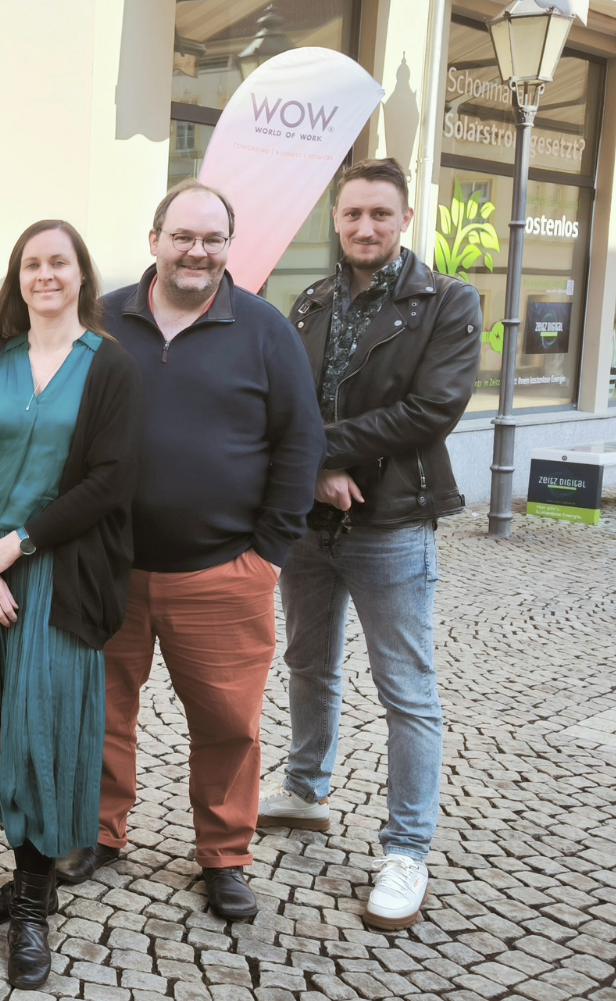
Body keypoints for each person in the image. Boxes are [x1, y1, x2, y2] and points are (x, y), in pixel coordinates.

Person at [56, 182, 321, 921]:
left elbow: (301, 442)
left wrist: (269, 552)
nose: (196, 252)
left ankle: (225, 855)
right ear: (155, 241)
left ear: (229, 247)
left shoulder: (265, 329)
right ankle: (99, 832)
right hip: (110, 567)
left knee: (228, 724)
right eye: (183, 237)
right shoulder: (101, 319)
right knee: (101, 711)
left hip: (223, 569)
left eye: (212, 239)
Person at [260, 158, 481, 931]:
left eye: (380, 214)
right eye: (352, 213)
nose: (364, 226)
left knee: (406, 691)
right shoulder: (311, 301)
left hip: (391, 521)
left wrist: (317, 453)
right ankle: (304, 789)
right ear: (336, 218)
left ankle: (407, 850)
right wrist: (315, 470)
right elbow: (284, 401)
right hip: (310, 524)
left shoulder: (446, 301)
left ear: (405, 219)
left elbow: (432, 409)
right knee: (308, 663)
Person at [0, 220, 141, 988]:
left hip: (62, 577)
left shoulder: (109, 368)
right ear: (16, 278)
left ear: (82, 275)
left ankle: (31, 905)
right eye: (32, 263)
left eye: (60, 262)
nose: (46, 274)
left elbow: (110, 480)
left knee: (40, 734)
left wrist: (16, 547)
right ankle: (31, 874)